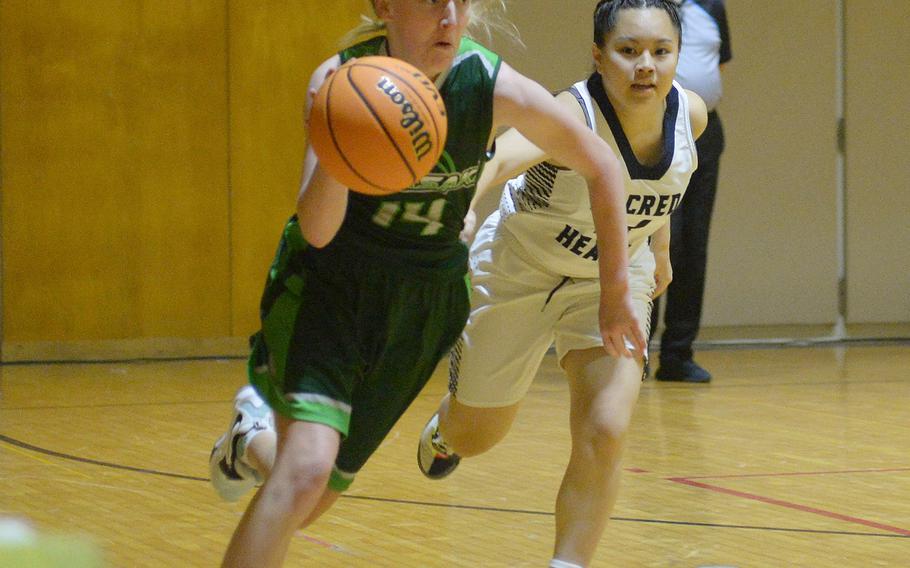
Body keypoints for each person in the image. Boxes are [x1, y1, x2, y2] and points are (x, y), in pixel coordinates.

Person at [207, 1, 646, 567]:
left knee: (307, 498)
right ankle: (269, 451)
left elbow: (602, 165)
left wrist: (615, 295)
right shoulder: (340, 80)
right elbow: (317, 231)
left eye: (461, 2)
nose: (449, 17)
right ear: (386, 6)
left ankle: (249, 443)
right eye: (432, 1)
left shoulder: (488, 85)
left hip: (424, 303)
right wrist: (348, 145)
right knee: (304, 473)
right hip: (332, 289)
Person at [416, 1, 706, 567]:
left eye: (660, 52)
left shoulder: (689, 114)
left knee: (606, 429)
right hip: (520, 268)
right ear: (598, 56)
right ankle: (446, 429)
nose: (645, 65)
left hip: (613, 278)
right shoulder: (568, 115)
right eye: (628, 51)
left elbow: (665, 182)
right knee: (479, 435)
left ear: (677, 57)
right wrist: (463, 212)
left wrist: (661, 250)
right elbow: (498, 160)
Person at [650, 0, 732, 383]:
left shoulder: (712, 6)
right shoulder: (640, 7)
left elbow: (717, 65)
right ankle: (635, 351)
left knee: (694, 246)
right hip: (652, 127)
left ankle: (678, 354)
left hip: (706, 131)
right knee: (658, 241)